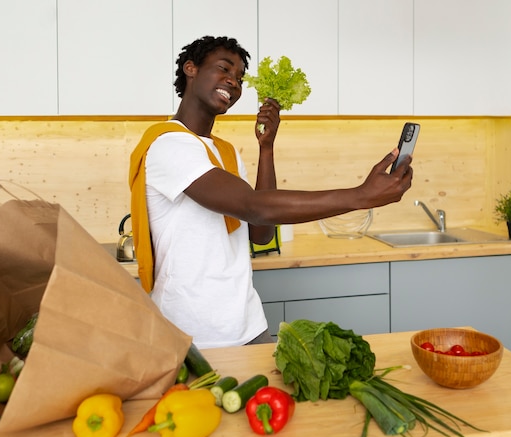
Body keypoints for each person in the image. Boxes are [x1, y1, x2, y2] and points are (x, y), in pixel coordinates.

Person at [129, 36, 413, 349]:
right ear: (191, 68)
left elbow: (261, 233)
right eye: (224, 69)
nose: (233, 83)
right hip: (192, 335)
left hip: (247, 325)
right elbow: (254, 206)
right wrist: (360, 196)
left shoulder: (224, 152)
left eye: (238, 78)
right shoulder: (168, 144)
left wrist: (266, 149)